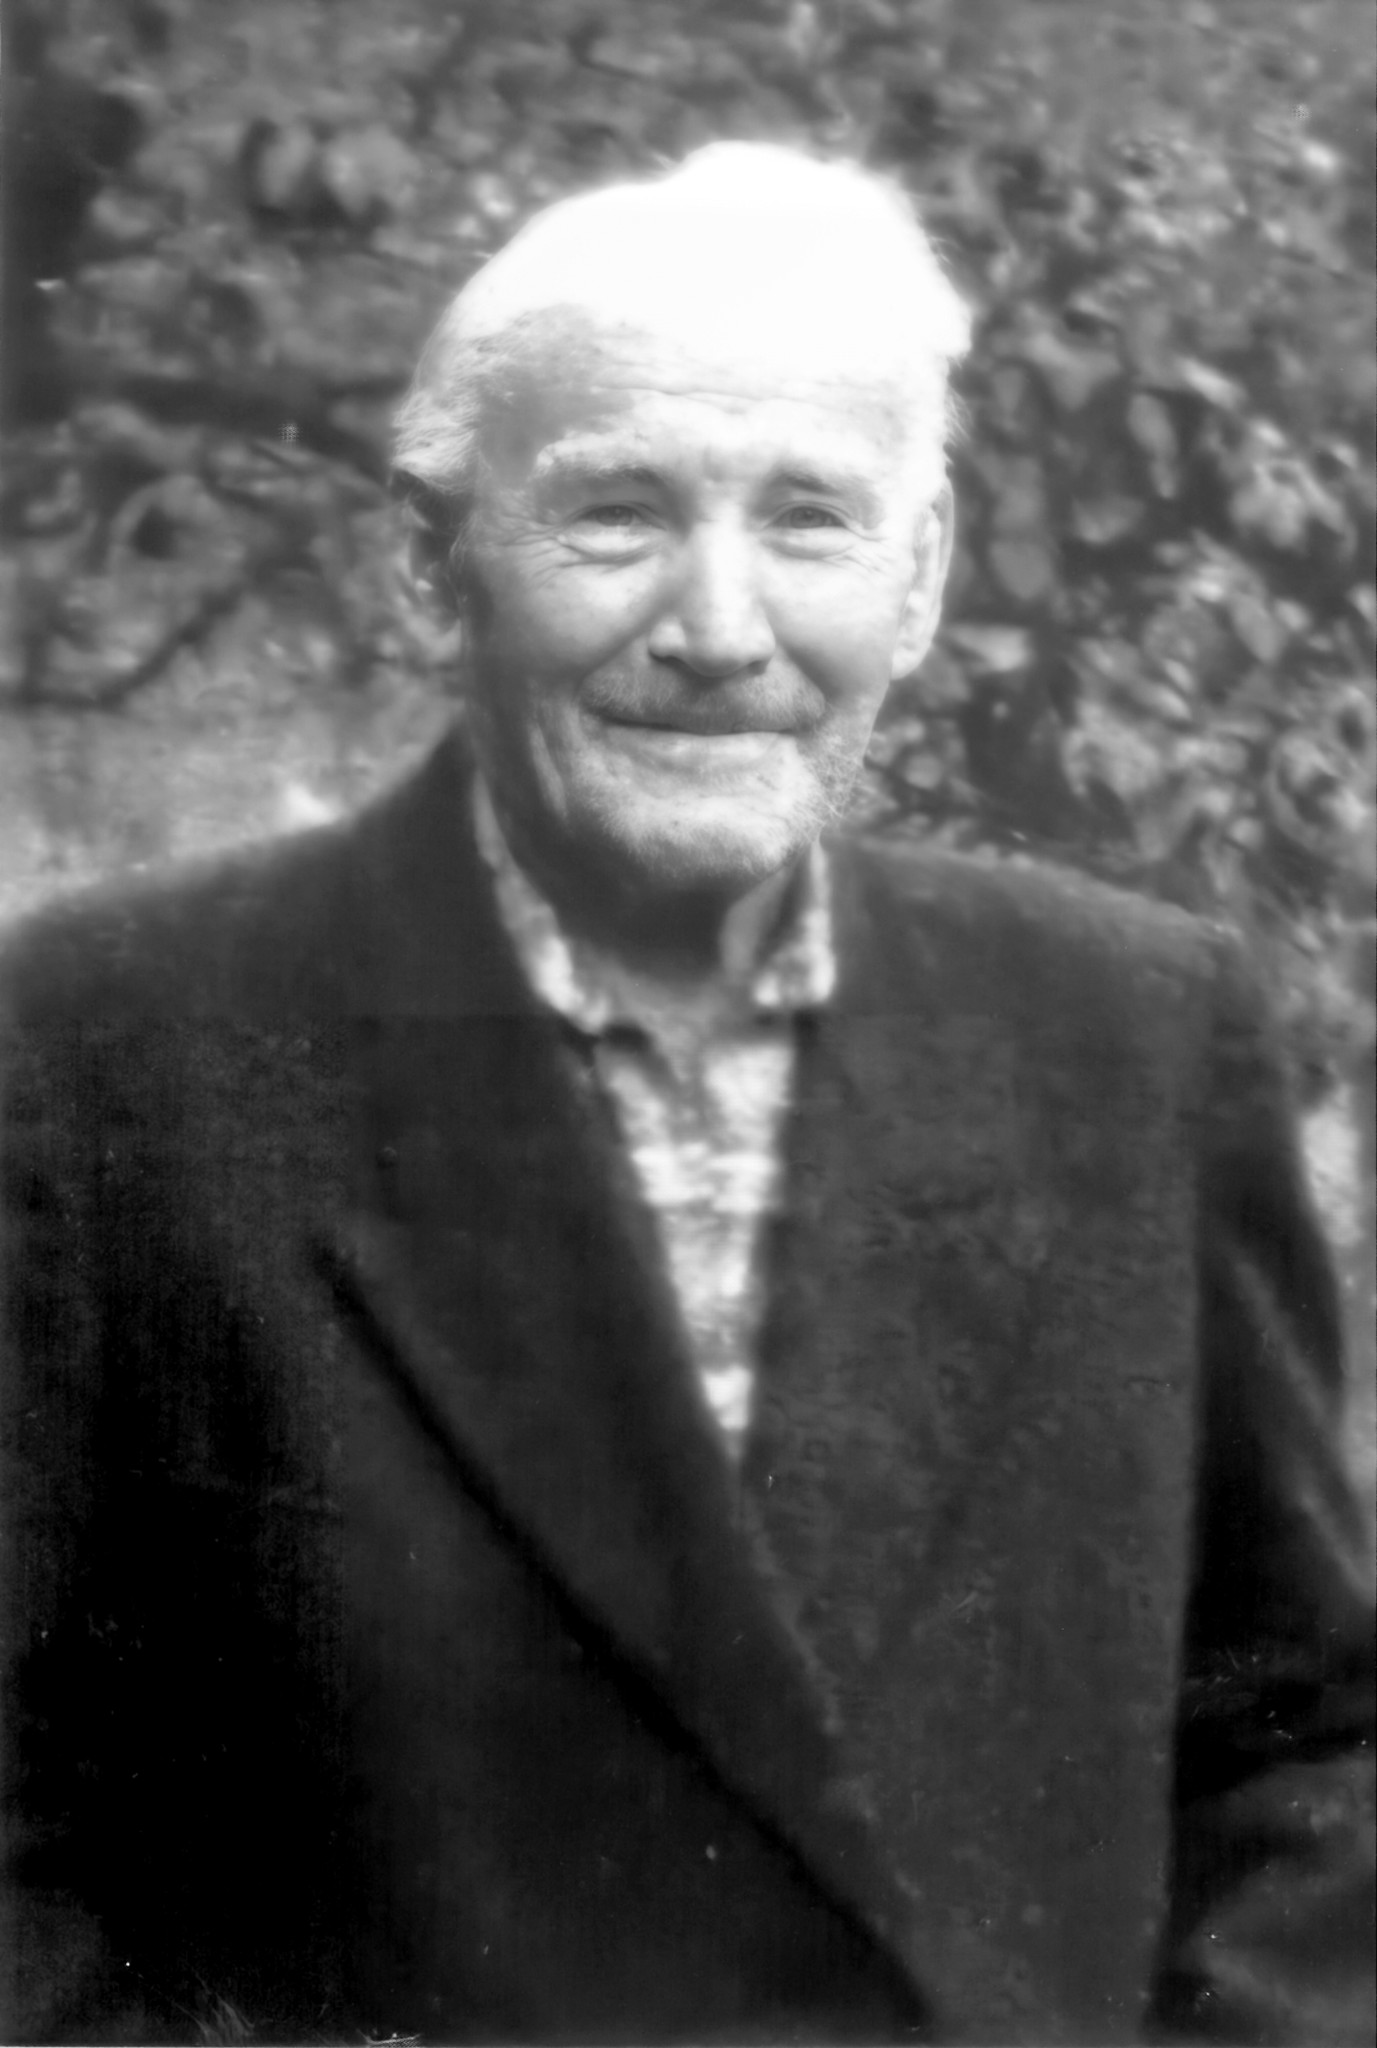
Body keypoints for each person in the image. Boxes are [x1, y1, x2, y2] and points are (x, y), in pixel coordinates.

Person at [1, 145, 1371, 2047]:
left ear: (919, 576)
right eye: (616, 514)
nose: (719, 628)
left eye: (809, 519)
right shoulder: (103, 1051)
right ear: (430, 563)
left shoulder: (1135, 1036)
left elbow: (1300, 1742)